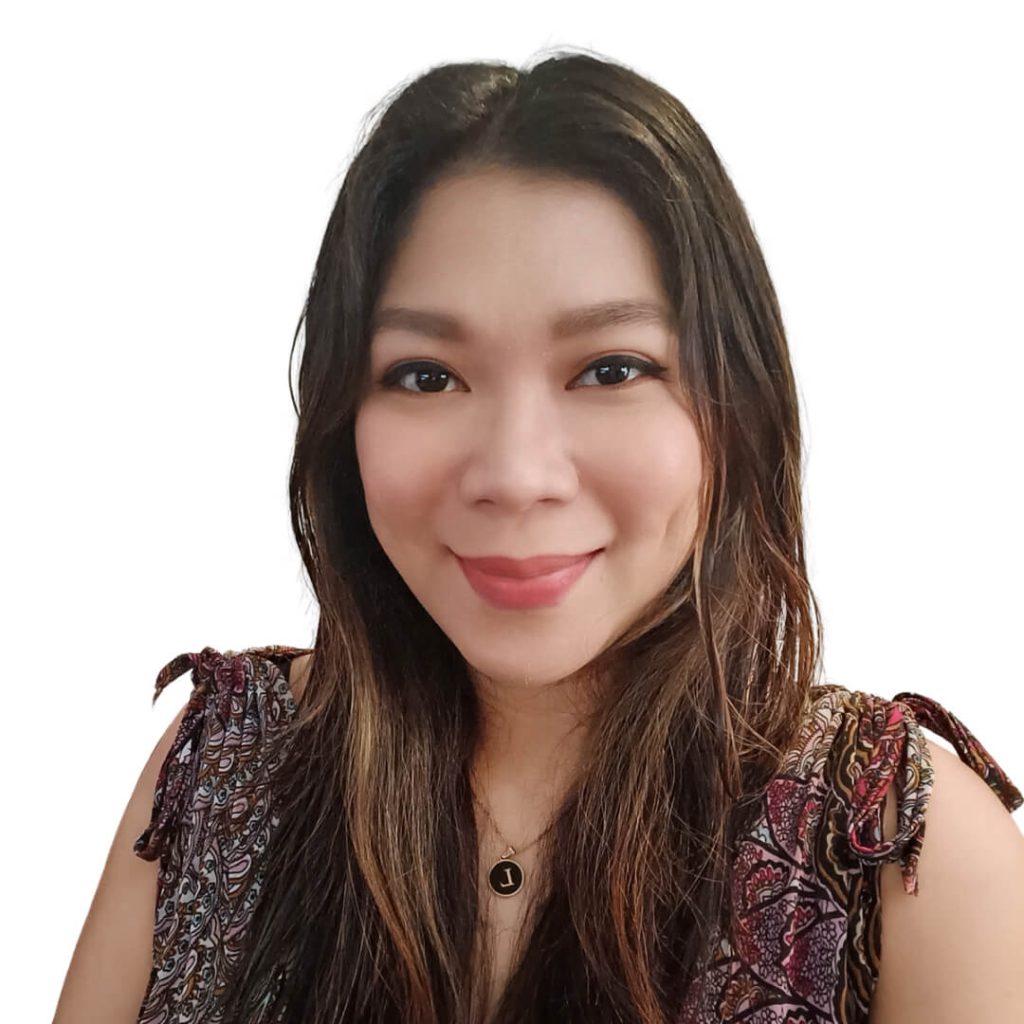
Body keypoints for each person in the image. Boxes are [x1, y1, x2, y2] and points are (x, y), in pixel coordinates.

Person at [53, 49, 1024, 1024]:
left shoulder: (900, 848)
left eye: (610, 369)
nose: (516, 475)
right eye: (427, 375)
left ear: (737, 403)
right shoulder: (225, 773)